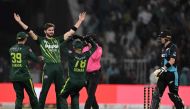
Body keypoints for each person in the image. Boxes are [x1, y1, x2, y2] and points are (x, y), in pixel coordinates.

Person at [14, 12, 86, 109]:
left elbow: (71, 32)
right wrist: (20, 21)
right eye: (50, 30)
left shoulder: (57, 39)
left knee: (60, 92)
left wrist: (80, 21)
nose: (52, 31)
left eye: (52, 30)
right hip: (48, 67)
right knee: (44, 91)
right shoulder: (41, 40)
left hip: (59, 67)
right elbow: (30, 31)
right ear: (45, 31)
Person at [59, 35, 97, 109]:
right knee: (75, 95)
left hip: (72, 81)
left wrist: (69, 39)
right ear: (82, 48)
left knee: (62, 96)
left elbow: (61, 46)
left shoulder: (71, 54)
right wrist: (90, 40)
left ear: (73, 47)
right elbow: (95, 47)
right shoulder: (86, 55)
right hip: (82, 82)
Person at [150, 30, 184, 109]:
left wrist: (162, 69)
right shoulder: (163, 48)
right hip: (163, 75)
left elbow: (172, 61)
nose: (160, 39)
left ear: (167, 38)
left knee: (174, 96)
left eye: (162, 37)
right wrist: (160, 70)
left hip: (172, 75)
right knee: (156, 94)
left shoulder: (173, 47)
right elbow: (164, 62)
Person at [9, 32, 41, 109]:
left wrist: (26, 61)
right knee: (32, 95)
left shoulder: (11, 49)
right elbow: (35, 59)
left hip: (14, 76)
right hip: (25, 76)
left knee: (19, 97)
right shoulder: (26, 48)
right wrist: (40, 58)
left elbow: (18, 61)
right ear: (25, 39)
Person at [82, 34, 102, 109]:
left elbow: (94, 57)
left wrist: (92, 47)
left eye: (89, 41)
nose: (88, 42)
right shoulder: (85, 48)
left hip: (95, 74)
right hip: (86, 74)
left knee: (91, 94)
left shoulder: (99, 49)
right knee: (90, 94)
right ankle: (96, 107)